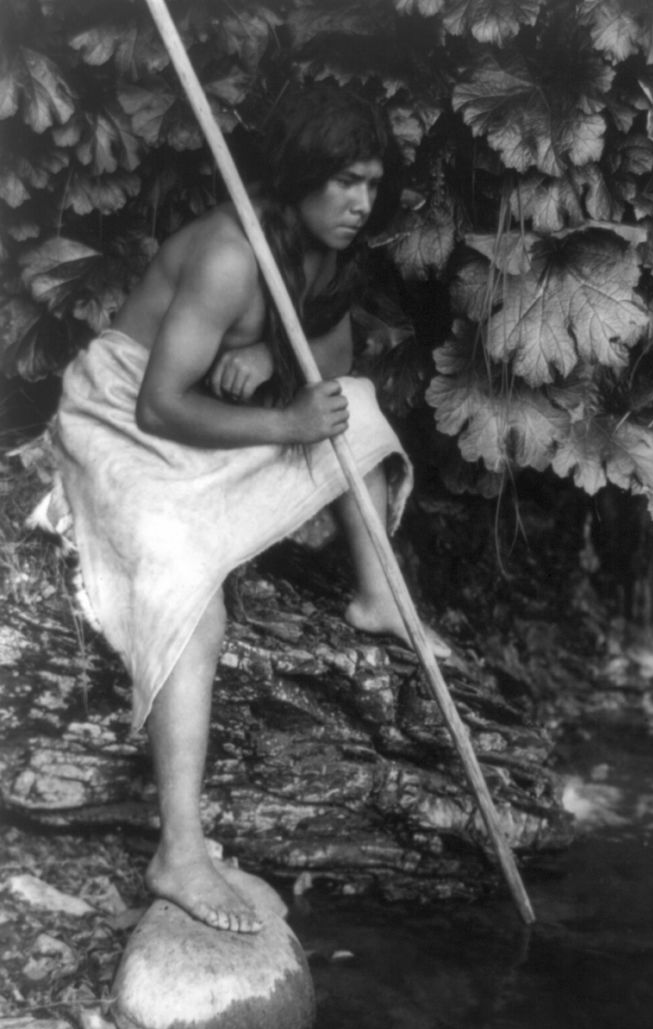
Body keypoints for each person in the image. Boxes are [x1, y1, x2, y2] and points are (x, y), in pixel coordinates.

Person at [40, 86, 446, 935]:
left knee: (360, 413)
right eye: (343, 182)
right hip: (122, 419)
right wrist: (282, 421)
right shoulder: (230, 253)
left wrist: (269, 354)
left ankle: (379, 599)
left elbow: (327, 377)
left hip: (211, 419)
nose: (360, 202)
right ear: (301, 178)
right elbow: (157, 405)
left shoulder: (328, 256)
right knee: (188, 584)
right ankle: (179, 851)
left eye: (371, 184)